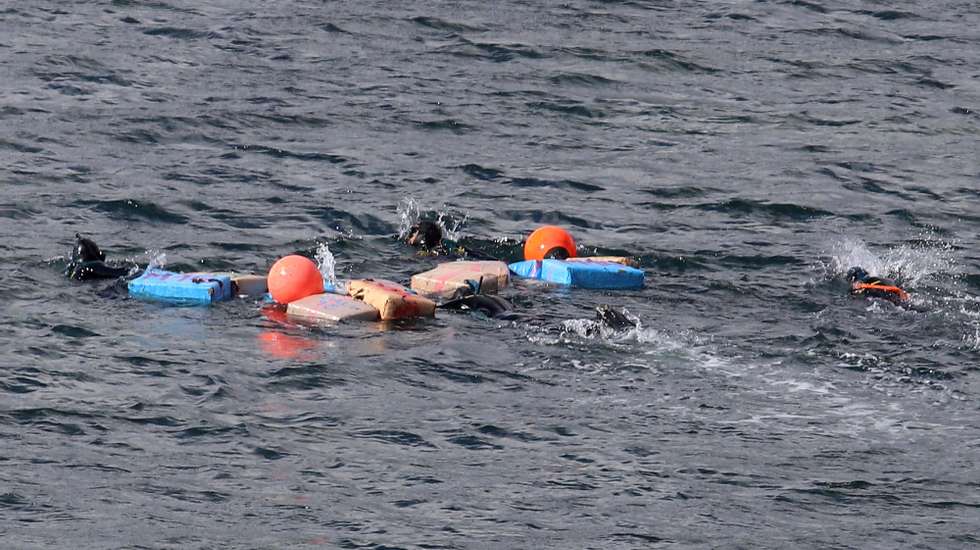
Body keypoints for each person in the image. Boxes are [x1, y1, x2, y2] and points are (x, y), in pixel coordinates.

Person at [65, 233, 136, 280]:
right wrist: (133, 270)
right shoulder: (94, 265)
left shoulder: (72, 270)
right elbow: (121, 273)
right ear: (99, 255)